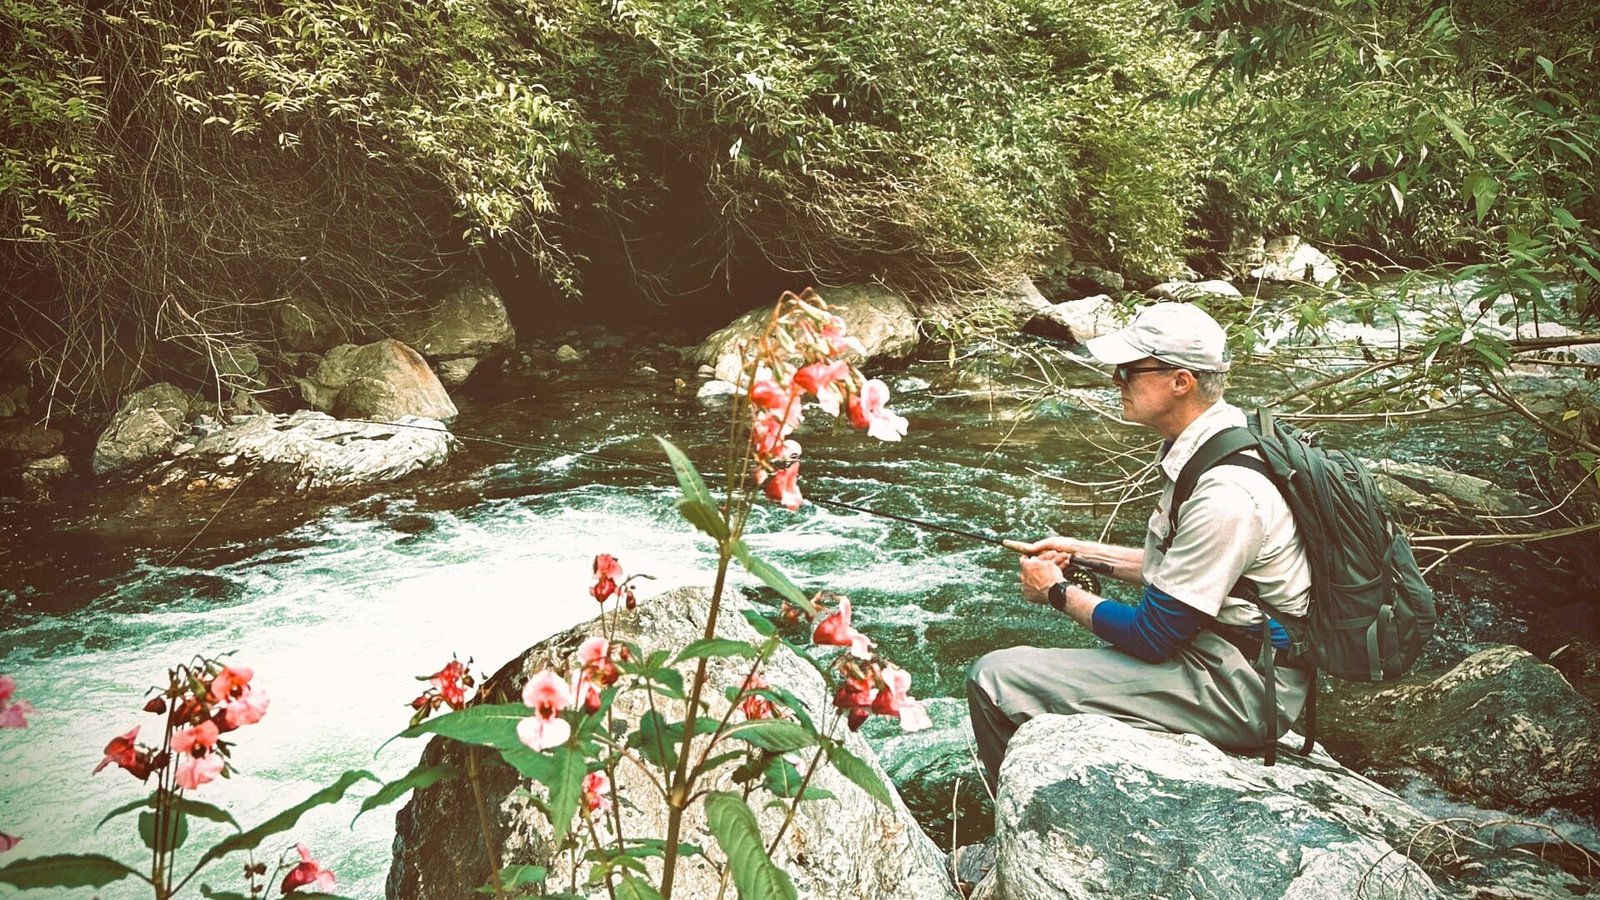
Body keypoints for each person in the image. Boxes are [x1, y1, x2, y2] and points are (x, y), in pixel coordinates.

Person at [966, 301, 1312, 791]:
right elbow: (1186, 576)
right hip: (1227, 655)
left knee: (995, 678)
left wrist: (1058, 591)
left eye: (1129, 370)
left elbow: (1154, 635)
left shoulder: (1226, 495)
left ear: (1181, 381)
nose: (1116, 380)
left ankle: (1021, 828)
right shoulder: (1215, 444)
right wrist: (1083, 552)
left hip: (1244, 689)